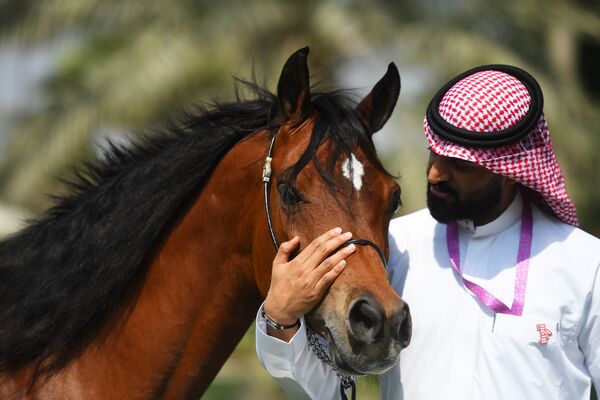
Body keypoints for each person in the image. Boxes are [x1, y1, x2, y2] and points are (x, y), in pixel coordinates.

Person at [255, 65, 600, 399]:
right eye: (434, 154)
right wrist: (281, 320)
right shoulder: (392, 248)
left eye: (459, 165)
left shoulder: (584, 266)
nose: (435, 175)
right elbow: (330, 392)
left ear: (509, 169)